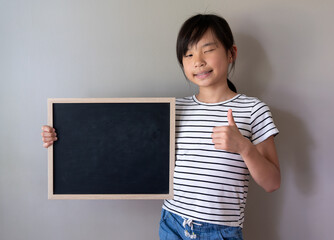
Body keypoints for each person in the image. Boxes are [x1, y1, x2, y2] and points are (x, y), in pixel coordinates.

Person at [42, 14, 280, 240]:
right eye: (188, 55)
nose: (198, 61)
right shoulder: (172, 111)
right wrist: (62, 138)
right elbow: (114, 140)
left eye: (208, 50)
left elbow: (272, 182)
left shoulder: (252, 109)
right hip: (172, 223)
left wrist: (244, 148)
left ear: (231, 53)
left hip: (219, 230)